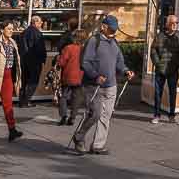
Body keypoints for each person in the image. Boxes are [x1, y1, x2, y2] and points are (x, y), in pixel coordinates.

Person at [73, 14, 133, 155]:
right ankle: (79, 136)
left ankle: (98, 145)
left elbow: (119, 62)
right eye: (111, 29)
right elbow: (85, 62)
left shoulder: (115, 43)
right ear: (103, 27)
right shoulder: (93, 41)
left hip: (111, 85)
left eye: (115, 30)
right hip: (93, 85)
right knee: (95, 113)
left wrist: (126, 71)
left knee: (106, 116)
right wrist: (95, 75)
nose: (114, 32)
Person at [149, 14, 179, 124]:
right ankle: (156, 115)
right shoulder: (160, 36)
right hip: (160, 69)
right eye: (172, 23)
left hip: (173, 70)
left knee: (172, 93)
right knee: (157, 93)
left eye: (177, 23)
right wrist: (157, 63)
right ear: (167, 24)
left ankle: (171, 115)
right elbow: (153, 50)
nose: (175, 25)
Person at [56, 28, 87, 126]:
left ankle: (63, 115)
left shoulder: (68, 48)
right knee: (76, 98)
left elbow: (61, 62)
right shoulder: (85, 49)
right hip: (80, 77)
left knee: (63, 96)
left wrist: (58, 60)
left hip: (68, 76)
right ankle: (72, 117)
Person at [18, 16, 46, 107]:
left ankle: (22, 100)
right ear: (35, 22)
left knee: (24, 80)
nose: (41, 24)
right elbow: (40, 48)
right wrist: (42, 59)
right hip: (35, 61)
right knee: (33, 81)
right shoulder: (37, 33)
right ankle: (26, 100)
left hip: (24, 60)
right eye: (40, 22)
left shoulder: (24, 32)